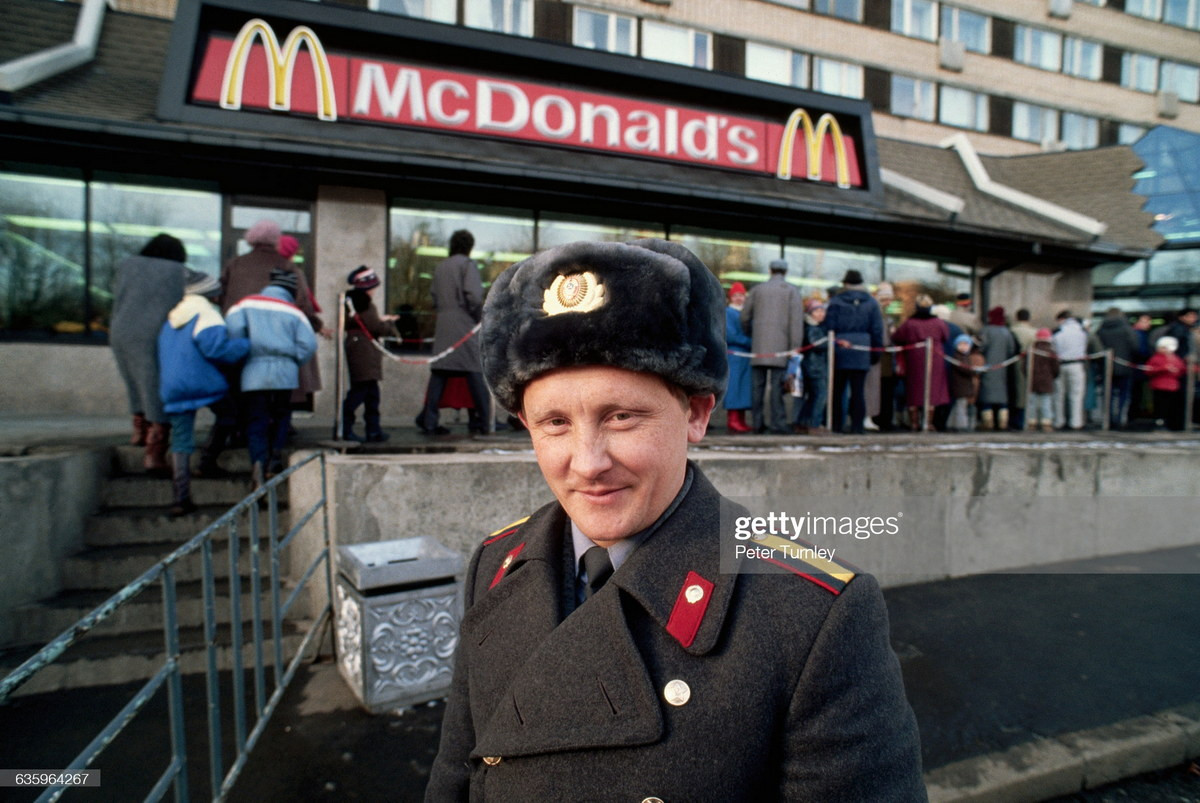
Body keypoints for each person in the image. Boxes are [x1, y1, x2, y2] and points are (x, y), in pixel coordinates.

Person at [426, 239, 925, 801]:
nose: (588, 463)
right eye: (555, 423)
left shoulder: (813, 617)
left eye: (621, 417)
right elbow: (456, 776)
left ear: (696, 412)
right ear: (525, 423)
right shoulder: (496, 563)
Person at [157, 271, 249, 516]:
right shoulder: (207, 314)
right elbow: (217, 349)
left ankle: (181, 498)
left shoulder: (172, 318)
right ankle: (207, 462)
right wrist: (245, 344)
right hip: (202, 382)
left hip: (172, 385)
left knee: (181, 439)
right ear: (211, 294)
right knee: (230, 415)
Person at [225, 269, 318, 490]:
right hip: (285, 372)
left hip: (253, 371)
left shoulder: (245, 304)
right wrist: (293, 360)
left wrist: (246, 353)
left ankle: (257, 465)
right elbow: (309, 345)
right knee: (281, 415)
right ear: (290, 291)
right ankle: (274, 459)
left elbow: (233, 332)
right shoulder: (295, 313)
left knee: (256, 419)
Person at [109, 232, 189, 477]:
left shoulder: (127, 265)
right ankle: (155, 451)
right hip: (154, 332)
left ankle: (139, 431)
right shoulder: (177, 271)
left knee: (134, 381)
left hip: (120, 329)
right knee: (155, 385)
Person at [421, 229, 491, 436]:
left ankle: (429, 421)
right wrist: (480, 317)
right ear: (469, 246)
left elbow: (434, 296)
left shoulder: (441, 266)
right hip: (464, 323)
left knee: (440, 372)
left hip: (443, 324)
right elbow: (474, 296)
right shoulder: (467, 265)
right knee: (474, 372)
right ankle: (486, 421)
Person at [740, 259, 804, 434]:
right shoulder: (792, 291)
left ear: (770, 270)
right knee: (777, 388)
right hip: (781, 348)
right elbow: (796, 322)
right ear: (785, 271)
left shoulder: (757, 290)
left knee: (757, 388)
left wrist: (752, 335)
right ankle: (778, 423)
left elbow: (745, 316)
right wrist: (795, 346)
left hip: (759, 346)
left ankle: (757, 423)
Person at [342, 266, 398, 443]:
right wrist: (390, 325)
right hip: (364, 352)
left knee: (371, 393)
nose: (374, 291)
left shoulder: (353, 302)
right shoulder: (364, 303)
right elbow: (375, 327)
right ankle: (348, 427)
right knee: (361, 392)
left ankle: (372, 430)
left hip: (360, 349)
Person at [824, 270, 884, 434]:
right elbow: (877, 329)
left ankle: (836, 425)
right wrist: (876, 352)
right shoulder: (871, 303)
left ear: (845, 284)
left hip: (841, 347)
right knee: (858, 391)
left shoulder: (836, 301)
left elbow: (829, 327)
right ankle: (857, 426)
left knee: (838, 390)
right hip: (862, 348)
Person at [891, 295, 950, 432]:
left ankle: (914, 422)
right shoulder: (938, 323)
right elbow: (945, 336)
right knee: (933, 390)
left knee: (914, 389)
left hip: (914, 357)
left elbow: (897, 337)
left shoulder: (910, 323)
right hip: (935, 357)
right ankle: (928, 422)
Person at [1095, 308, 1139, 429]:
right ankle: (1120, 418)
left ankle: (1108, 419)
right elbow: (1135, 346)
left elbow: (1097, 348)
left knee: (1107, 395)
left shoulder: (1101, 329)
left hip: (1106, 367)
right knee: (1123, 395)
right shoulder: (1127, 329)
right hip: (1125, 366)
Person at [722, 282, 753, 433]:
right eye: (736, 295)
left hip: (745, 356)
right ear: (731, 297)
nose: (739, 298)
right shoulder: (728, 312)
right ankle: (733, 419)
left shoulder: (746, 313)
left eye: (741, 295)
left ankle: (740, 419)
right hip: (735, 355)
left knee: (744, 388)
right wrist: (752, 343)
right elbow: (731, 335)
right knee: (735, 387)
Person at [979, 306, 1017, 431]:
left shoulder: (986, 330)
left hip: (988, 366)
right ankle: (1002, 421)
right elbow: (1011, 349)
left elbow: (981, 346)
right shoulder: (1006, 331)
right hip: (1003, 368)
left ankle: (987, 421)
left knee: (986, 394)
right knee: (1002, 396)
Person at [1052, 310, 1089, 430]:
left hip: (1061, 364)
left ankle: (1059, 421)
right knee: (1076, 394)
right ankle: (1076, 422)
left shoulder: (1058, 332)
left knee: (1059, 395)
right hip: (1077, 364)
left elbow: (1053, 347)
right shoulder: (1082, 331)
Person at [796, 300, 829, 434]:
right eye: (817, 311)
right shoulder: (812, 328)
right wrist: (830, 342)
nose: (821, 313)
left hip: (812, 366)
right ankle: (814, 424)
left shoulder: (814, 327)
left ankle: (802, 423)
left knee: (812, 396)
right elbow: (817, 344)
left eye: (822, 310)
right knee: (820, 395)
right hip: (815, 367)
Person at [1145, 336, 1186, 431]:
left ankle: (1170, 422)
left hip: (1172, 386)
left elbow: (1182, 369)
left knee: (1170, 406)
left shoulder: (1175, 358)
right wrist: (1164, 369)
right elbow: (1149, 370)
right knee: (1160, 406)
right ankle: (1159, 422)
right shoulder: (1156, 358)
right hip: (1159, 386)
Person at [947, 334, 984, 432]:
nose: (964, 347)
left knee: (958, 406)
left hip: (964, 386)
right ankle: (961, 425)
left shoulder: (964, 357)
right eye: (961, 344)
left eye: (966, 344)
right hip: (961, 386)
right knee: (961, 407)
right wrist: (974, 370)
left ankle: (951, 424)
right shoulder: (958, 357)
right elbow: (964, 369)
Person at [1009, 308, 1038, 431]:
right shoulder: (1034, 332)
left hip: (1013, 362)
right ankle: (1025, 419)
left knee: (1015, 391)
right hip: (1030, 362)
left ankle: (1014, 420)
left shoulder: (1012, 330)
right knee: (1025, 392)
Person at [1027, 328, 1060, 432]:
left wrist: (1028, 376)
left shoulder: (1031, 350)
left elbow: (1024, 366)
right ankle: (1046, 423)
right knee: (1046, 402)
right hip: (1047, 380)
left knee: (1032, 402)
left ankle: (1032, 422)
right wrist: (1053, 376)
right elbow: (1056, 368)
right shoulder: (1051, 351)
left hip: (1032, 380)